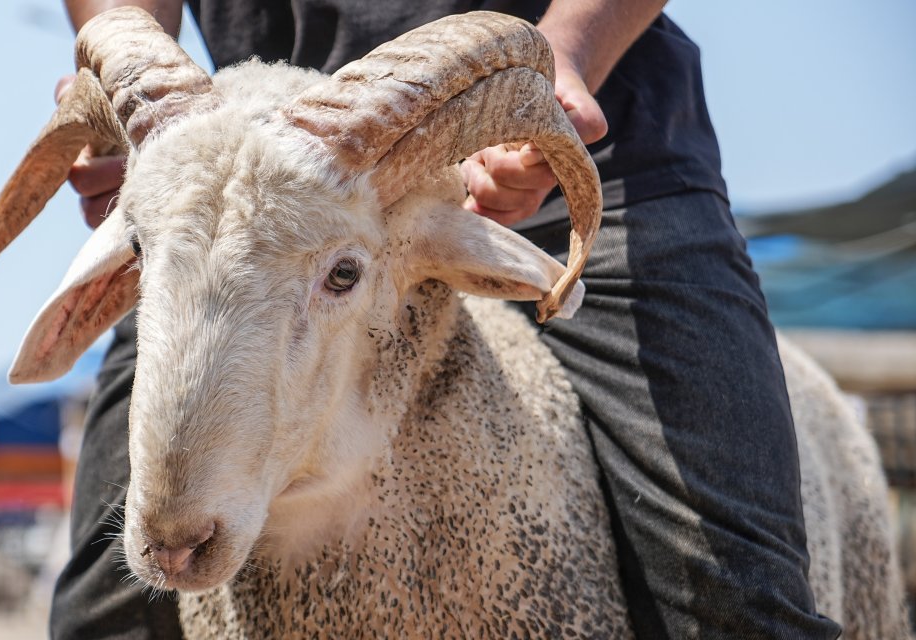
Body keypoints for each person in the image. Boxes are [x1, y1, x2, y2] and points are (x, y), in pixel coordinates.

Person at [50, 1, 844, 638]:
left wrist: (565, 54)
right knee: (101, 616)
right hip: (262, 208)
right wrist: (134, 100)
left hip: (584, 162)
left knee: (737, 604)